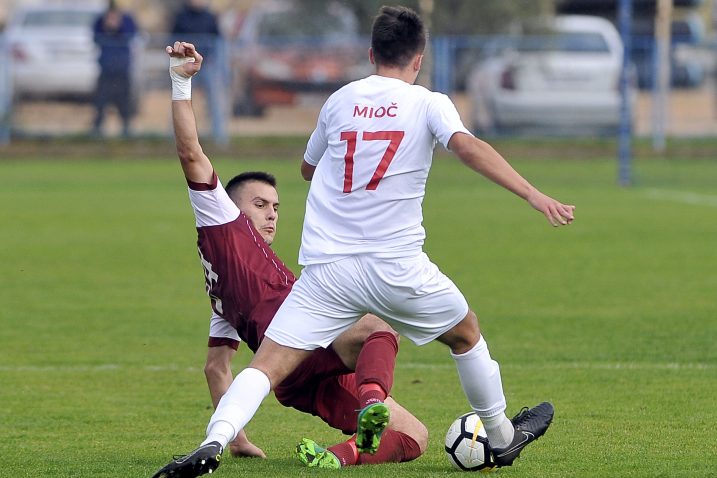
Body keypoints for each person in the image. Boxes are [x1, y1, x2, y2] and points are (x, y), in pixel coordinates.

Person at [155, 6, 575, 477]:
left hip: (327, 271)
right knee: (466, 335)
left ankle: (214, 440)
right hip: (397, 264)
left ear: (371, 53)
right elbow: (467, 147)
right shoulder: (429, 102)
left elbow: (308, 168)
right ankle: (501, 437)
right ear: (419, 60)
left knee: (266, 366)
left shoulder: (339, 101)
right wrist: (534, 195)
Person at [151, 41, 428, 478]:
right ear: (228, 206)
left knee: (414, 438)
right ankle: (373, 399)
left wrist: (235, 438)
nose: (271, 214)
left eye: (276, 207)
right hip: (305, 341)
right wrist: (180, 82)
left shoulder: (224, 292)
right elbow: (191, 153)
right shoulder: (222, 224)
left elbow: (216, 367)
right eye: (260, 204)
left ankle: (338, 455)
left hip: (303, 380)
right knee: (378, 326)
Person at [171, 0, 227, 146]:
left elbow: (218, 41)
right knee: (180, 101)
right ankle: (175, 137)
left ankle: (219, 138)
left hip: (207, 65)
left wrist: (219, 65)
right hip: (186, 66)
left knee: (214, 102)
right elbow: (173, 39)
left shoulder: (210, 17)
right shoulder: (181, 17)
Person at [92, 0, 138, 138]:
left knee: (124, 101)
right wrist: (107, 27)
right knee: (101, 101)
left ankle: (126, 129)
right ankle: (97, 130)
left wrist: (118, 26)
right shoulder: (100, 20)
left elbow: (131, 35)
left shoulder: (127, 19)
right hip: (106, 68)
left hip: (123, 68)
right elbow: (95, 37)